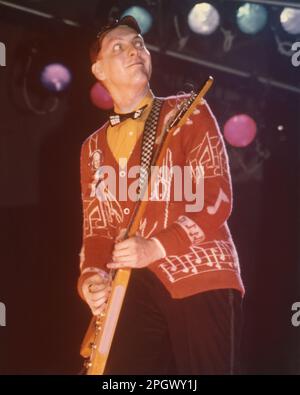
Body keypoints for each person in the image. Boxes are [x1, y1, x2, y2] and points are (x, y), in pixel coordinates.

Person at [78, 16, 245, 375]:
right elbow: (97, 231)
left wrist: (155, 246)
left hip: (201, 275)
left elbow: (217, 198)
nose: (134, 50)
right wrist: (90, 281)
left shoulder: (187, 110)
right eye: (118, 47)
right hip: (132, 284)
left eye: (138, 42)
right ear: (98, 69)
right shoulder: (91, 148)